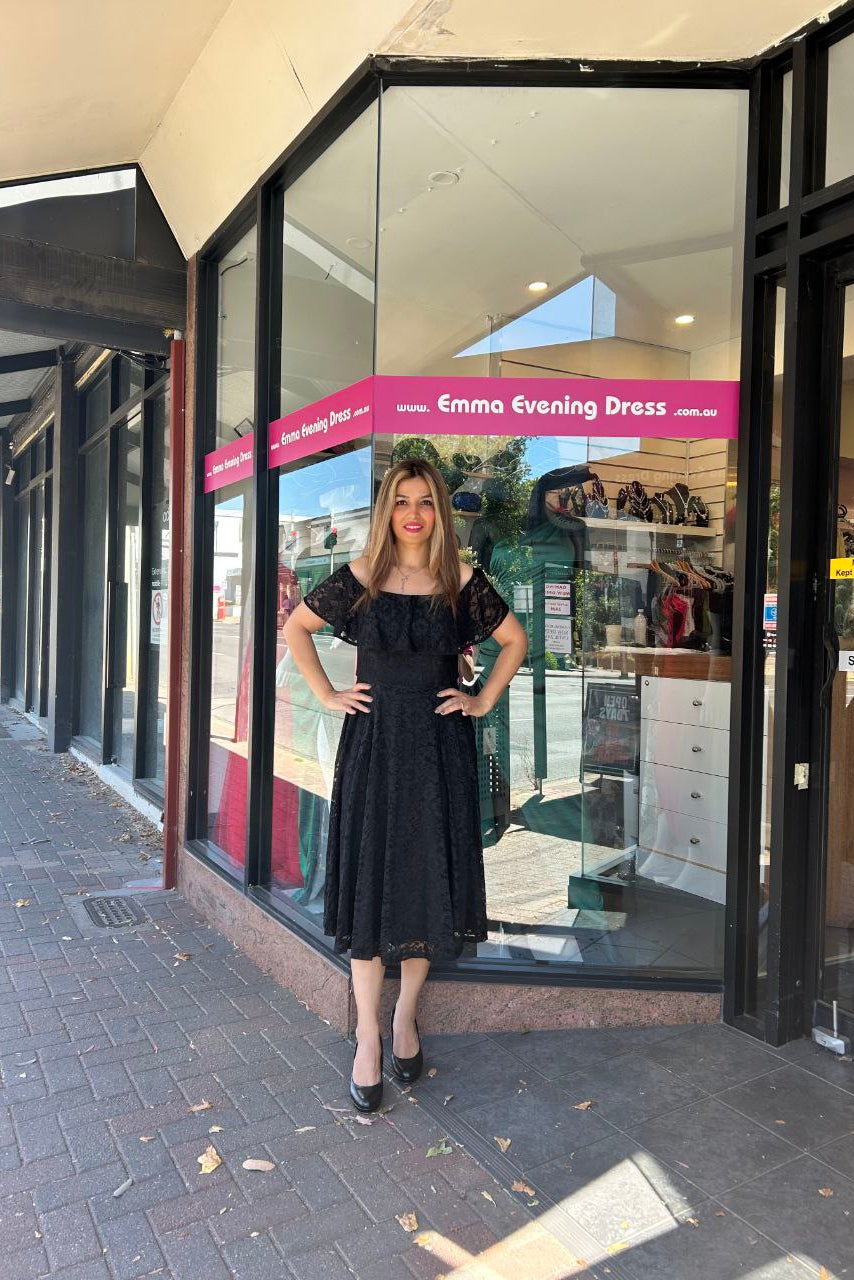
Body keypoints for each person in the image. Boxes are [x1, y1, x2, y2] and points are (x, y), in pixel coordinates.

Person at [283, 459, 527, 1111]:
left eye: (425, 502)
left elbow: (514, 640)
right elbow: (295, 629)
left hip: (440, 751)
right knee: (371, 889)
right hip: (376, 747)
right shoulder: (361, 578)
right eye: (401, 501)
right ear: (388, 510)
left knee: (426, 887)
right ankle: (366, 1036)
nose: (413, 513)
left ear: (439, 513)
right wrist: (327, 693)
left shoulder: (461, 581)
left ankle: (403, 1019)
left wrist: (479, 701)